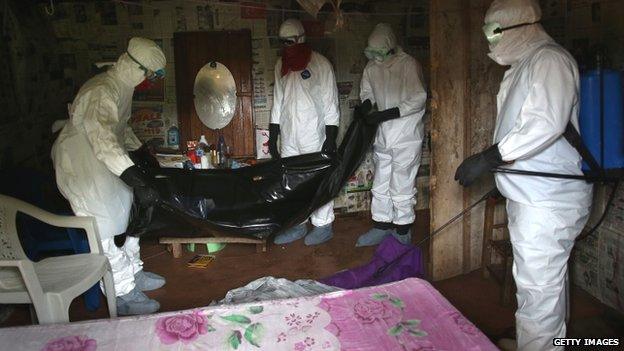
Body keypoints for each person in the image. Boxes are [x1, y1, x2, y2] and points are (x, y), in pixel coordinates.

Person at [454, 1, 593, 350]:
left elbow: (544, 124)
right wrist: (502, 177)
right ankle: (541, 342)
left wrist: (488, 158)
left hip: (548, 200)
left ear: (521, 27)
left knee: (539, 289)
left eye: (494, 32)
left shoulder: (550, 60)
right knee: (539, 285)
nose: (490, 41)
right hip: (531, 194)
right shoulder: (525, 64)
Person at [52, 37, 168, 316]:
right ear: (136, 68)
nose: (149, 81)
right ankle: (124, 292)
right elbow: (101, 134)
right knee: (102, 227)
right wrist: (132, 175)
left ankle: (134, 271)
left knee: (129, 212)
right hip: (82, 164)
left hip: (104, 160)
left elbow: (120, 127)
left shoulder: (123, 87)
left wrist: (141, 153)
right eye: (149, 75)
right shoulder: (101, 89)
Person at [269, 19, 340, 246]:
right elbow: (278, 103)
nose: (287, 47)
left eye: (290, 41)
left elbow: (331, 104)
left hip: (314, 135)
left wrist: (330, 138)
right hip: (290, 137)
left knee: (318, 181)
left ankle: (323, 225)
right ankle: (297, 224)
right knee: (292, 182)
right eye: (283, 43)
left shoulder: (321, 64)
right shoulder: (281, 65)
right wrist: (273, 138)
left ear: (301, 38)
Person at [355, 23, 427, 247]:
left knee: (401, 182)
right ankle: (381, 225)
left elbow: (419, 98)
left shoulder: (408, 64)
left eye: (379, 52)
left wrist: (387, 113)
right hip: (383, 135)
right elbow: (367, 92)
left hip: (406, 135)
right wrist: (366, 107)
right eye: (372, 53)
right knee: (381, 181)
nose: (376, 57)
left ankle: (403, 229)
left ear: (390, 47)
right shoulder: (371, 67)